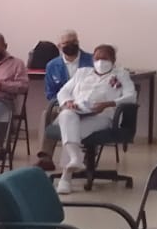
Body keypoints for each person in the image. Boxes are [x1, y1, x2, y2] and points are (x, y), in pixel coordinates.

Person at [53, 45, 136, 195]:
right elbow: (63, 92)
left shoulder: (121, 74)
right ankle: (75, 158)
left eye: (105, 58)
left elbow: (131, 96)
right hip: (77, 112)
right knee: (66, 115)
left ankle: (66, 176)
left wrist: (108, 104)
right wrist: (68, 102)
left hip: (103, 116)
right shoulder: (82, 73)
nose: (100, 62)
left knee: (71, 130)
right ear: (92, 59)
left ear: (113, 60)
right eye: (97, 58)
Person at [36, 29, 93, 171]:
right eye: (66, 43)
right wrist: (64, 103)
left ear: (78, 42)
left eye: (73, 42)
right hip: (61, 104)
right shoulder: (52, 65)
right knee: (47, 113)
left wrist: (80, 103)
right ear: (59, 46)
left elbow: (97, 87)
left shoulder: (91, 61)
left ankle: (85, 155)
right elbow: (50, 93)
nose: (70, 45)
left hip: (87, 103)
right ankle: (45, 157)